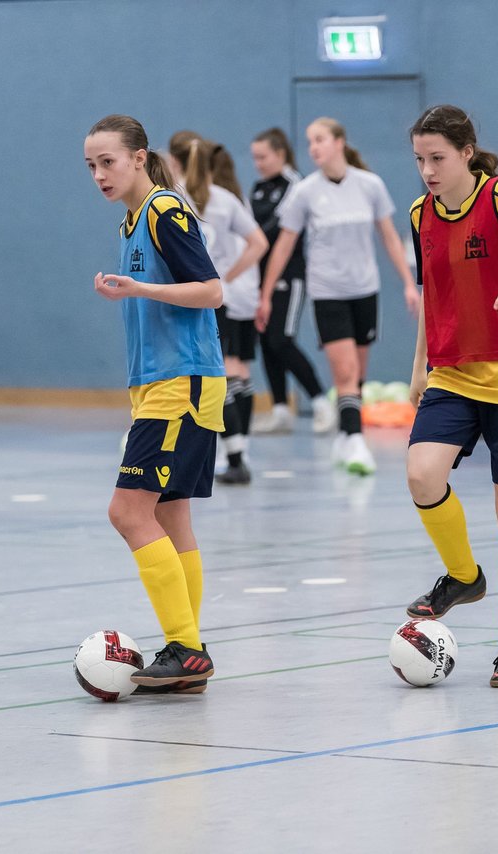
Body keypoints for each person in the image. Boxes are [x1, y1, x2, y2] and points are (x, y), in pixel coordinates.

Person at [402, 105, 498, 688]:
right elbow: (429, 295)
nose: (427, 171)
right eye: (419, 159)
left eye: (437, 158)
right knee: (422, 474)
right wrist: (417, 367)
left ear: (467, 152)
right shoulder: (419, 214)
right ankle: (463, 576)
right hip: (452, 374)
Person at [85, 114, 225, 693]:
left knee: (127, 512)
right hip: (159, 384)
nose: (99, 174)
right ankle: (187, 648)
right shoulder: (131, 221)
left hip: (180, 384)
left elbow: (212, 290)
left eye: (108, 162)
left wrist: (142, 288)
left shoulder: (166, 211)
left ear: (140, 157)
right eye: (90, 166)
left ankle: (186, 648)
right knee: (170, 516)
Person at [255, 117, 418, 475]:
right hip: (327, 291)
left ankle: (346, 436)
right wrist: (265, 295)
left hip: (365, 289)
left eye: (320, 140)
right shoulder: (305, 192)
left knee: (357, 374)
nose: (313, 147)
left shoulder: (370, 185)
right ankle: (356, 440)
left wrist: (408, 282)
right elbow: (282, 247)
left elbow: (390, 237)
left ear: (339, 142)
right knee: (344, 372)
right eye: (310, 141)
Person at [168, 131, 267, 485]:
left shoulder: (170, 199)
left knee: (206, 375)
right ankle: (237, 451)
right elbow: (259, 242)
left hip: (189, 299)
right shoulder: (226, 199)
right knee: (228, 370)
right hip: (219, 298)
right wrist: (226, 275)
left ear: (175, 162)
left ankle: (233, 456)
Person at [248, 128, 330, 434]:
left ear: (280, 154)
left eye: (262, 157)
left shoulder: (296, 185)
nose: (257, 163)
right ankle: (281, 409)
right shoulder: (257, 188)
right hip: (258, 275)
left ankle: (321, 401)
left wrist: (249, 240)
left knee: (282, 338)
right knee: (267, 341)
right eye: (254, 157)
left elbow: (275, 229)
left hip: (289, 275)